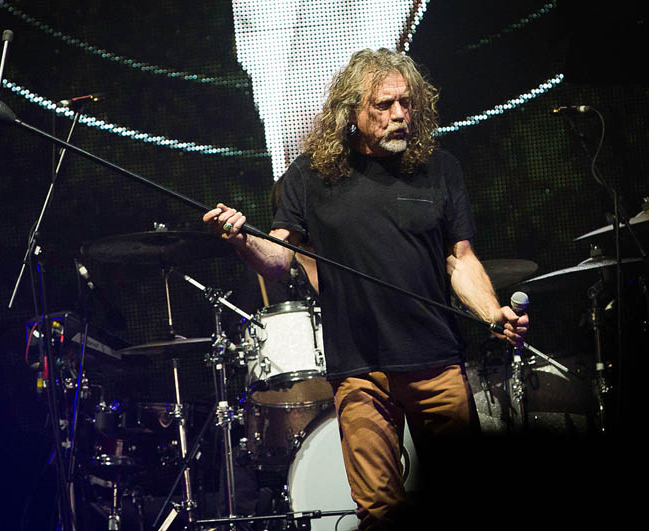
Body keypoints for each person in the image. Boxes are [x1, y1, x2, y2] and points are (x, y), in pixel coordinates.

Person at [204, 48, 528, 528]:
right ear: (351, 112)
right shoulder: (311, 175)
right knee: (378, 512)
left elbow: (461, 260)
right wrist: (240, 237)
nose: (399, 114)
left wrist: (491, 313)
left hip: (436, 363)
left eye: (406, 103)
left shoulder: (440, 169)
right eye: (383, 105)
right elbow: (277, 259)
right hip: (360, 373)